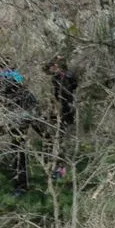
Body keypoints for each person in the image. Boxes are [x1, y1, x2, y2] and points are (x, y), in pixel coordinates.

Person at [0, 59, 37, 193]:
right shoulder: (15, 76)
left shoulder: (8, 79)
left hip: (20, 116)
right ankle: (19, 180)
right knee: (17, 148)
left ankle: (21, 185)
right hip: (22, 114)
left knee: (18, 149)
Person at [44, 56, 79, 130]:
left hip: (70, 97)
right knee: (66, 115)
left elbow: (74, 84)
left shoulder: (67, 74)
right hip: (63, 100)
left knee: (69, 113)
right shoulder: (55, 78)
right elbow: (56, 91)